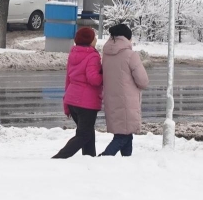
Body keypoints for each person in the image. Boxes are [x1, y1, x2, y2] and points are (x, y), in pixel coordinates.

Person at [53, 28, 102, 158]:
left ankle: (89, 159)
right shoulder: (93, 55)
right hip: (86, 103)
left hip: (72, 100)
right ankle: (59, 158)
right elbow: (94, 79)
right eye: (94, 37)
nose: (96, 39)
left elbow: (68, 78)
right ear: (89, 40)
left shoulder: (73, 53)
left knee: (88, 133)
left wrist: (66, 104)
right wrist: (104, 74)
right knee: (84, 135)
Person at [100, 24, 149, 157]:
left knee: (126, 135)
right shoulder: (131, 55)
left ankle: (127, 163)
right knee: (123, 136)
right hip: (127, 102)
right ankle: (103, 158)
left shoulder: (106, 54)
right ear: (127, 37)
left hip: (112, 100)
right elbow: (143, 81)